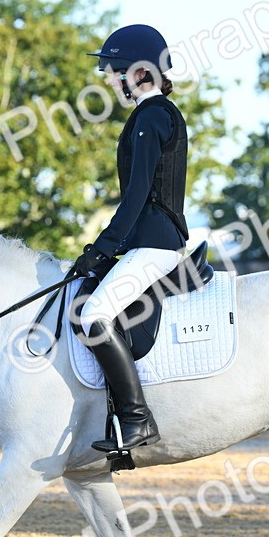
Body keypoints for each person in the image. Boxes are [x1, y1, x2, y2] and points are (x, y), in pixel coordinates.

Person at [72, 24, 190, 453]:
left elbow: (139, 195)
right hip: (148, 241)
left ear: (139, 73)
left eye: (114, 70)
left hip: (156, 244)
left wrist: (103, 246)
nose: (108, 78)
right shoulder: (152, 115)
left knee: (93, 314)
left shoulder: (152, 116)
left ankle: (136, 419)